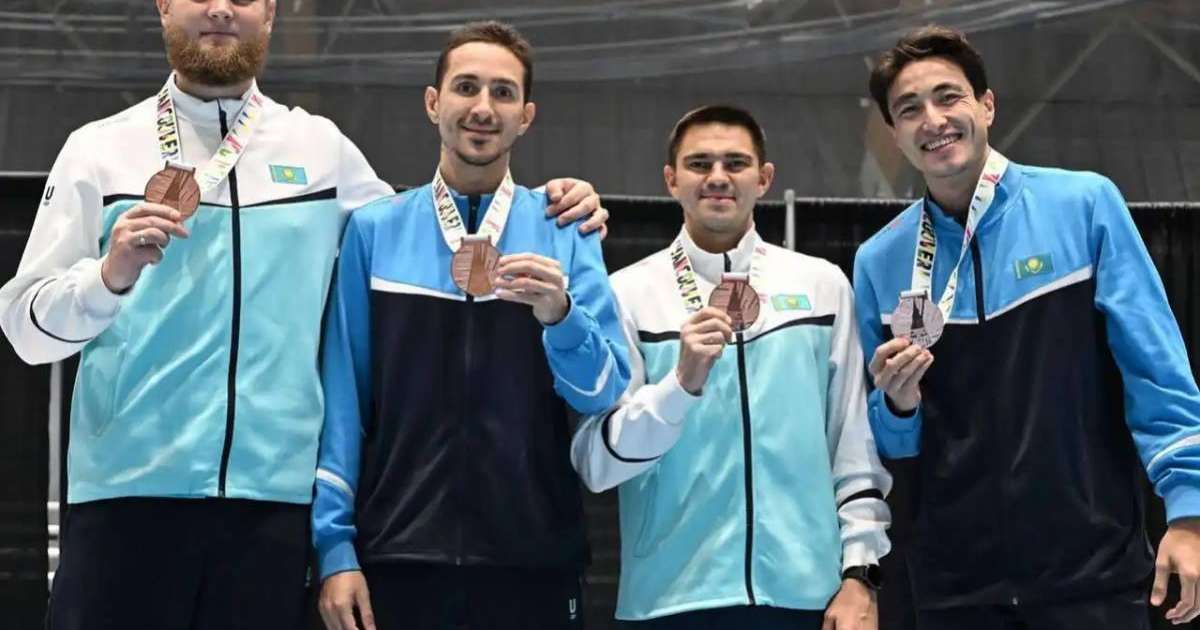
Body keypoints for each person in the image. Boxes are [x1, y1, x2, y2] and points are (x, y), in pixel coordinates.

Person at [0, 2, 606, 628]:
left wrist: (555, 203)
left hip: (273, 511)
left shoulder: (320, 151)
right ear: (162, 6)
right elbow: (24, 329)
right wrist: (107, 278)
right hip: (125, 501)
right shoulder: (97, 150)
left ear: (268, 13)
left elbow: (423, 229)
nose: (219, 8)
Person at [853, 24, 1200, 630]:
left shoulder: (1084, 205)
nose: (932, 119)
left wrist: (1189, 513)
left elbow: (1157, 374)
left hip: (1093, 578)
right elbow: (887, 445)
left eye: (948, 96)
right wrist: (900, 407)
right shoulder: (881, 263)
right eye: (909, 109)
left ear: (986, 105)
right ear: (895, 133)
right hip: (955, 591)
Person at [312, 21, 631, 630]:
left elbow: (604, 392)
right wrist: (334, 549)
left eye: (503, 93)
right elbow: (343, 403)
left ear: (526, 116)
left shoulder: (566, 228)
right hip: (396, 558)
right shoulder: (374, 231)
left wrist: (560, 316)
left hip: (534, 560)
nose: (483, 108)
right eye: (466, 88)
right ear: (434, 104)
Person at [572, 105, 892, 630]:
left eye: (735, 163)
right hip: (670, 600)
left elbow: (851, 443)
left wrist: (860, 574)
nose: (718, 177)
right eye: (699, 164)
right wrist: (679, 386)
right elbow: (597, 464)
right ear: (671, 180)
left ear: (763, 179)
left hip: (809, 597)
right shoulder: (626, 294)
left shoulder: (822, 286)